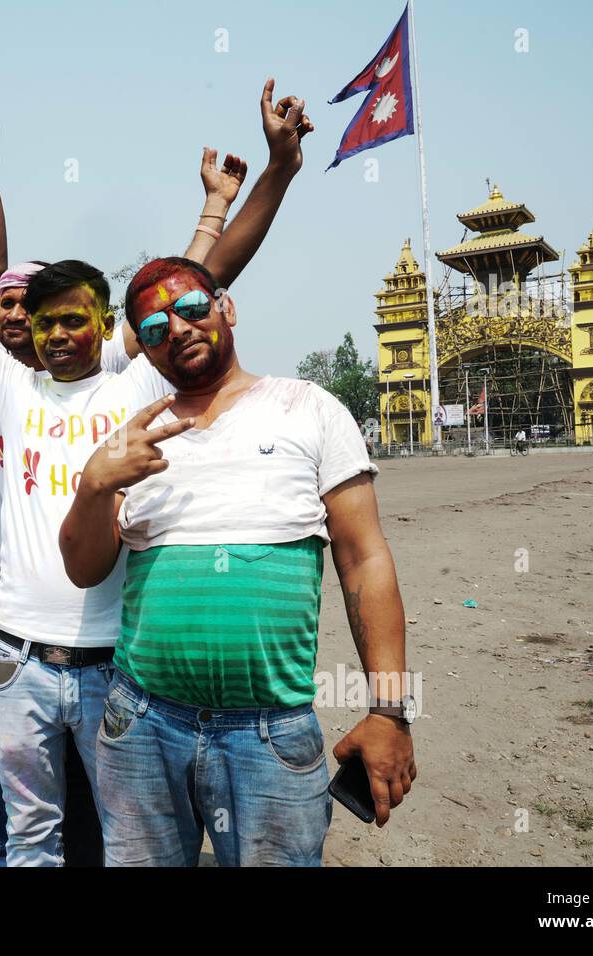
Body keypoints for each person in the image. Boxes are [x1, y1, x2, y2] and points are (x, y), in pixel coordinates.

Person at [0, 78, 313, 864]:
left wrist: (277, 171)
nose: (56, 335)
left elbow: (208, 268)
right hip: (15, 659)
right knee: (29, 838)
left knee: (131, 839)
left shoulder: (136, 379)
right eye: (45, 321)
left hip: (115, 671)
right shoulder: (5, 386)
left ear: (106, 325)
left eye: (72, 320)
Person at [58, 255, 418, 865]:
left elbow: (365, 561)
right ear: (144, 350)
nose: (176, 330)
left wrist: (389, 711)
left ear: (226, 308)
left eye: (191, 309)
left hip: (269, 732)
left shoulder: (309, 409)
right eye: (152, 329)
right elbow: (84, 569)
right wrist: (93, 485)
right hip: (140, 723)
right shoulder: (134, 440)